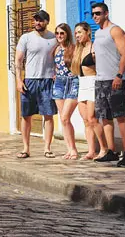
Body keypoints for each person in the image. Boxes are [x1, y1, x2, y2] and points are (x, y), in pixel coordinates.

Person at [90, 3, 125, 167]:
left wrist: (119, 75)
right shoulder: (98, 33)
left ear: (106, 13)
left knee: (120, 116)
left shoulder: (115, 30)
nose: (95, 16)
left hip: (115, 79)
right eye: (93, 14)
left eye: (98, 13)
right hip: (100, 80)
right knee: (105, 117)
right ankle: (111, 151)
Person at [15, 10, 58, 159]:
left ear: (47, 21)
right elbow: (18, 61)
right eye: (35, 20)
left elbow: (59, 57)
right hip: (30, 81)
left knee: (48, 115)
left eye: (40, 20)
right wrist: (19, 81)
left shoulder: (54, 38)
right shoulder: (26, 38)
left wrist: (56, 74)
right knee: (26, 115)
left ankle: (47, 148)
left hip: (47, 81)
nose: (37, 23)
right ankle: (26, 148)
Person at [71, 22, 100, 160]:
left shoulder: (94, 48)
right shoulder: (78, 50)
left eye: (80, 32)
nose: (77, 35)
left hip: (93, 83)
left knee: (92, 118)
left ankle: (104, 149)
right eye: (76, 33)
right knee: (85, 121)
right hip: (82, 84)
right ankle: (91, 151)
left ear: (88, 32)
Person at [51, 23, 79, 159]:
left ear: (67, 34)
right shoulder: (55, 49)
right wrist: (55, 73)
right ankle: (69, 149)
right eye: (57, 33)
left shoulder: (73, 49)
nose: (59, 36)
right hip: (59, 84)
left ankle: (73, 149)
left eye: (62, 33)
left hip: (72, 82)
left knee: (65, 117)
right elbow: (56, 66)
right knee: (63, 120)